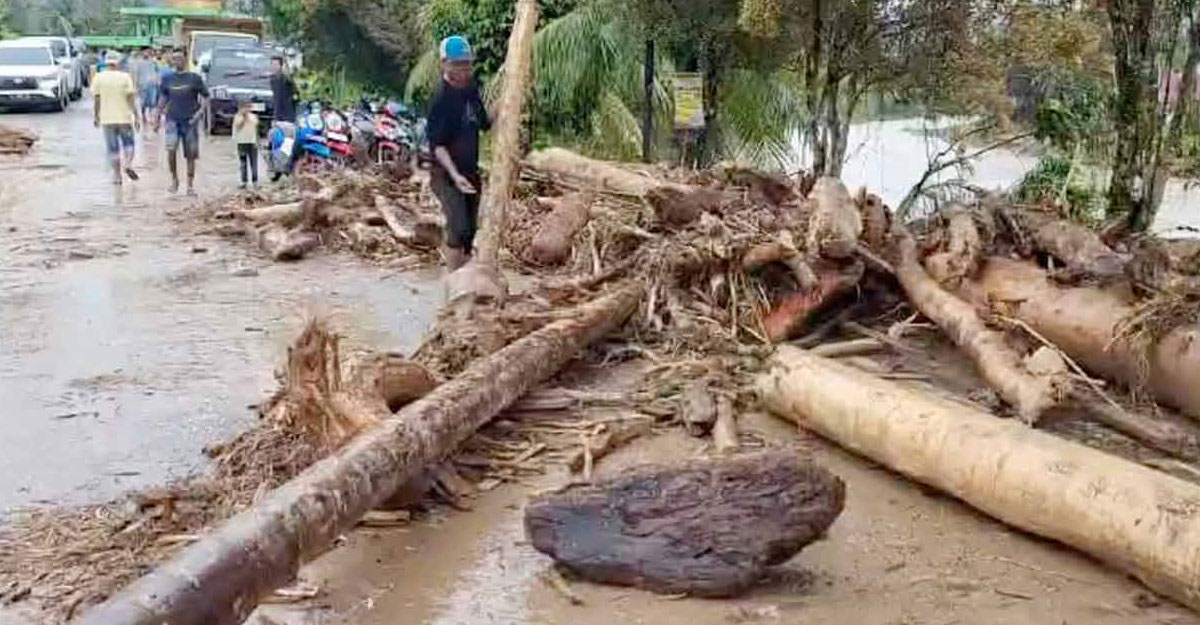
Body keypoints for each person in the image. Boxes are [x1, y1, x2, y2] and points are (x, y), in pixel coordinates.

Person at [426, 35, 491, 270]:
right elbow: (438, 146)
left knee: (470, 230)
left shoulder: (472, 90)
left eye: (467, 64)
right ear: (444, 64)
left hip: (470, 171)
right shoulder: (440, 100)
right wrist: (455, 176)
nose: (464, 70)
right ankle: (453, 281)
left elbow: (485, 123)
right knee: (457, 225)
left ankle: (466, 274)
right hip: (445, 174)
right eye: (457, 65)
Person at [156, 51, 208, 196]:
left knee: (190, 154)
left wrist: (199, 113)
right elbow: (163, 98)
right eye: (174, 59)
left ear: (185, 60)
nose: (177, 61)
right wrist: (157, 117)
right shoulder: (167, 79)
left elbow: (206, 97)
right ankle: (174, 180)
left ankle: (190, 185)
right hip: (172, 119)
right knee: (171, 150)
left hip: (190, 120)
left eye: (179, 58)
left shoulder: (194, 78)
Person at [92, 53, 140, 185]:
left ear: (106, 63)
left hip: (107, 119)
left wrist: (96, 116)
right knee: (129, 144)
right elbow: (130, 98)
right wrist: (136, 116)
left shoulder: (98, 78)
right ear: (117, 63)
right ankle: (128, 164)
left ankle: (117, 176)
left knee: (113, 149)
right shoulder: (125, 77)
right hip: (124, 117)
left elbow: (97, 98)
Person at [130, 47, 160, 133]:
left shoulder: (153, 62)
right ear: (142, 52)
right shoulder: (138, 63)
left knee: (152, 102)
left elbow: (157, 71)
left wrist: (157, 81)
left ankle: (151, 117)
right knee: (143, 102)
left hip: (152, 84)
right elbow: (136, 74)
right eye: (145, 51)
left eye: (148, 51)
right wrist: (135, 85)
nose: (147, 53)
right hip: (142, 85)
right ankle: (143, 116)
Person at [232, 100, 260, 189]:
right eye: (245, 107)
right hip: (241, 142)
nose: (247, 109)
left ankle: (255, 181)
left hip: (252, 142)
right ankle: (244, 181)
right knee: (243, 163)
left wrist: (257, 141)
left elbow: (256, 128)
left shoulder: (253, 117)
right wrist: (244, 117)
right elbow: (238, 126)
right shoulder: (237, 117)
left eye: (249, 107)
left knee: (254, 163)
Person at [269, 56, 297, 125]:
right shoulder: (272, 79)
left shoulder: (285, 79)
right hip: (277, 113)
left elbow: (291, 81)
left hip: (287, 114)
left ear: (281, 66)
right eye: (272, 64)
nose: (274, 67)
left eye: (276, 65)